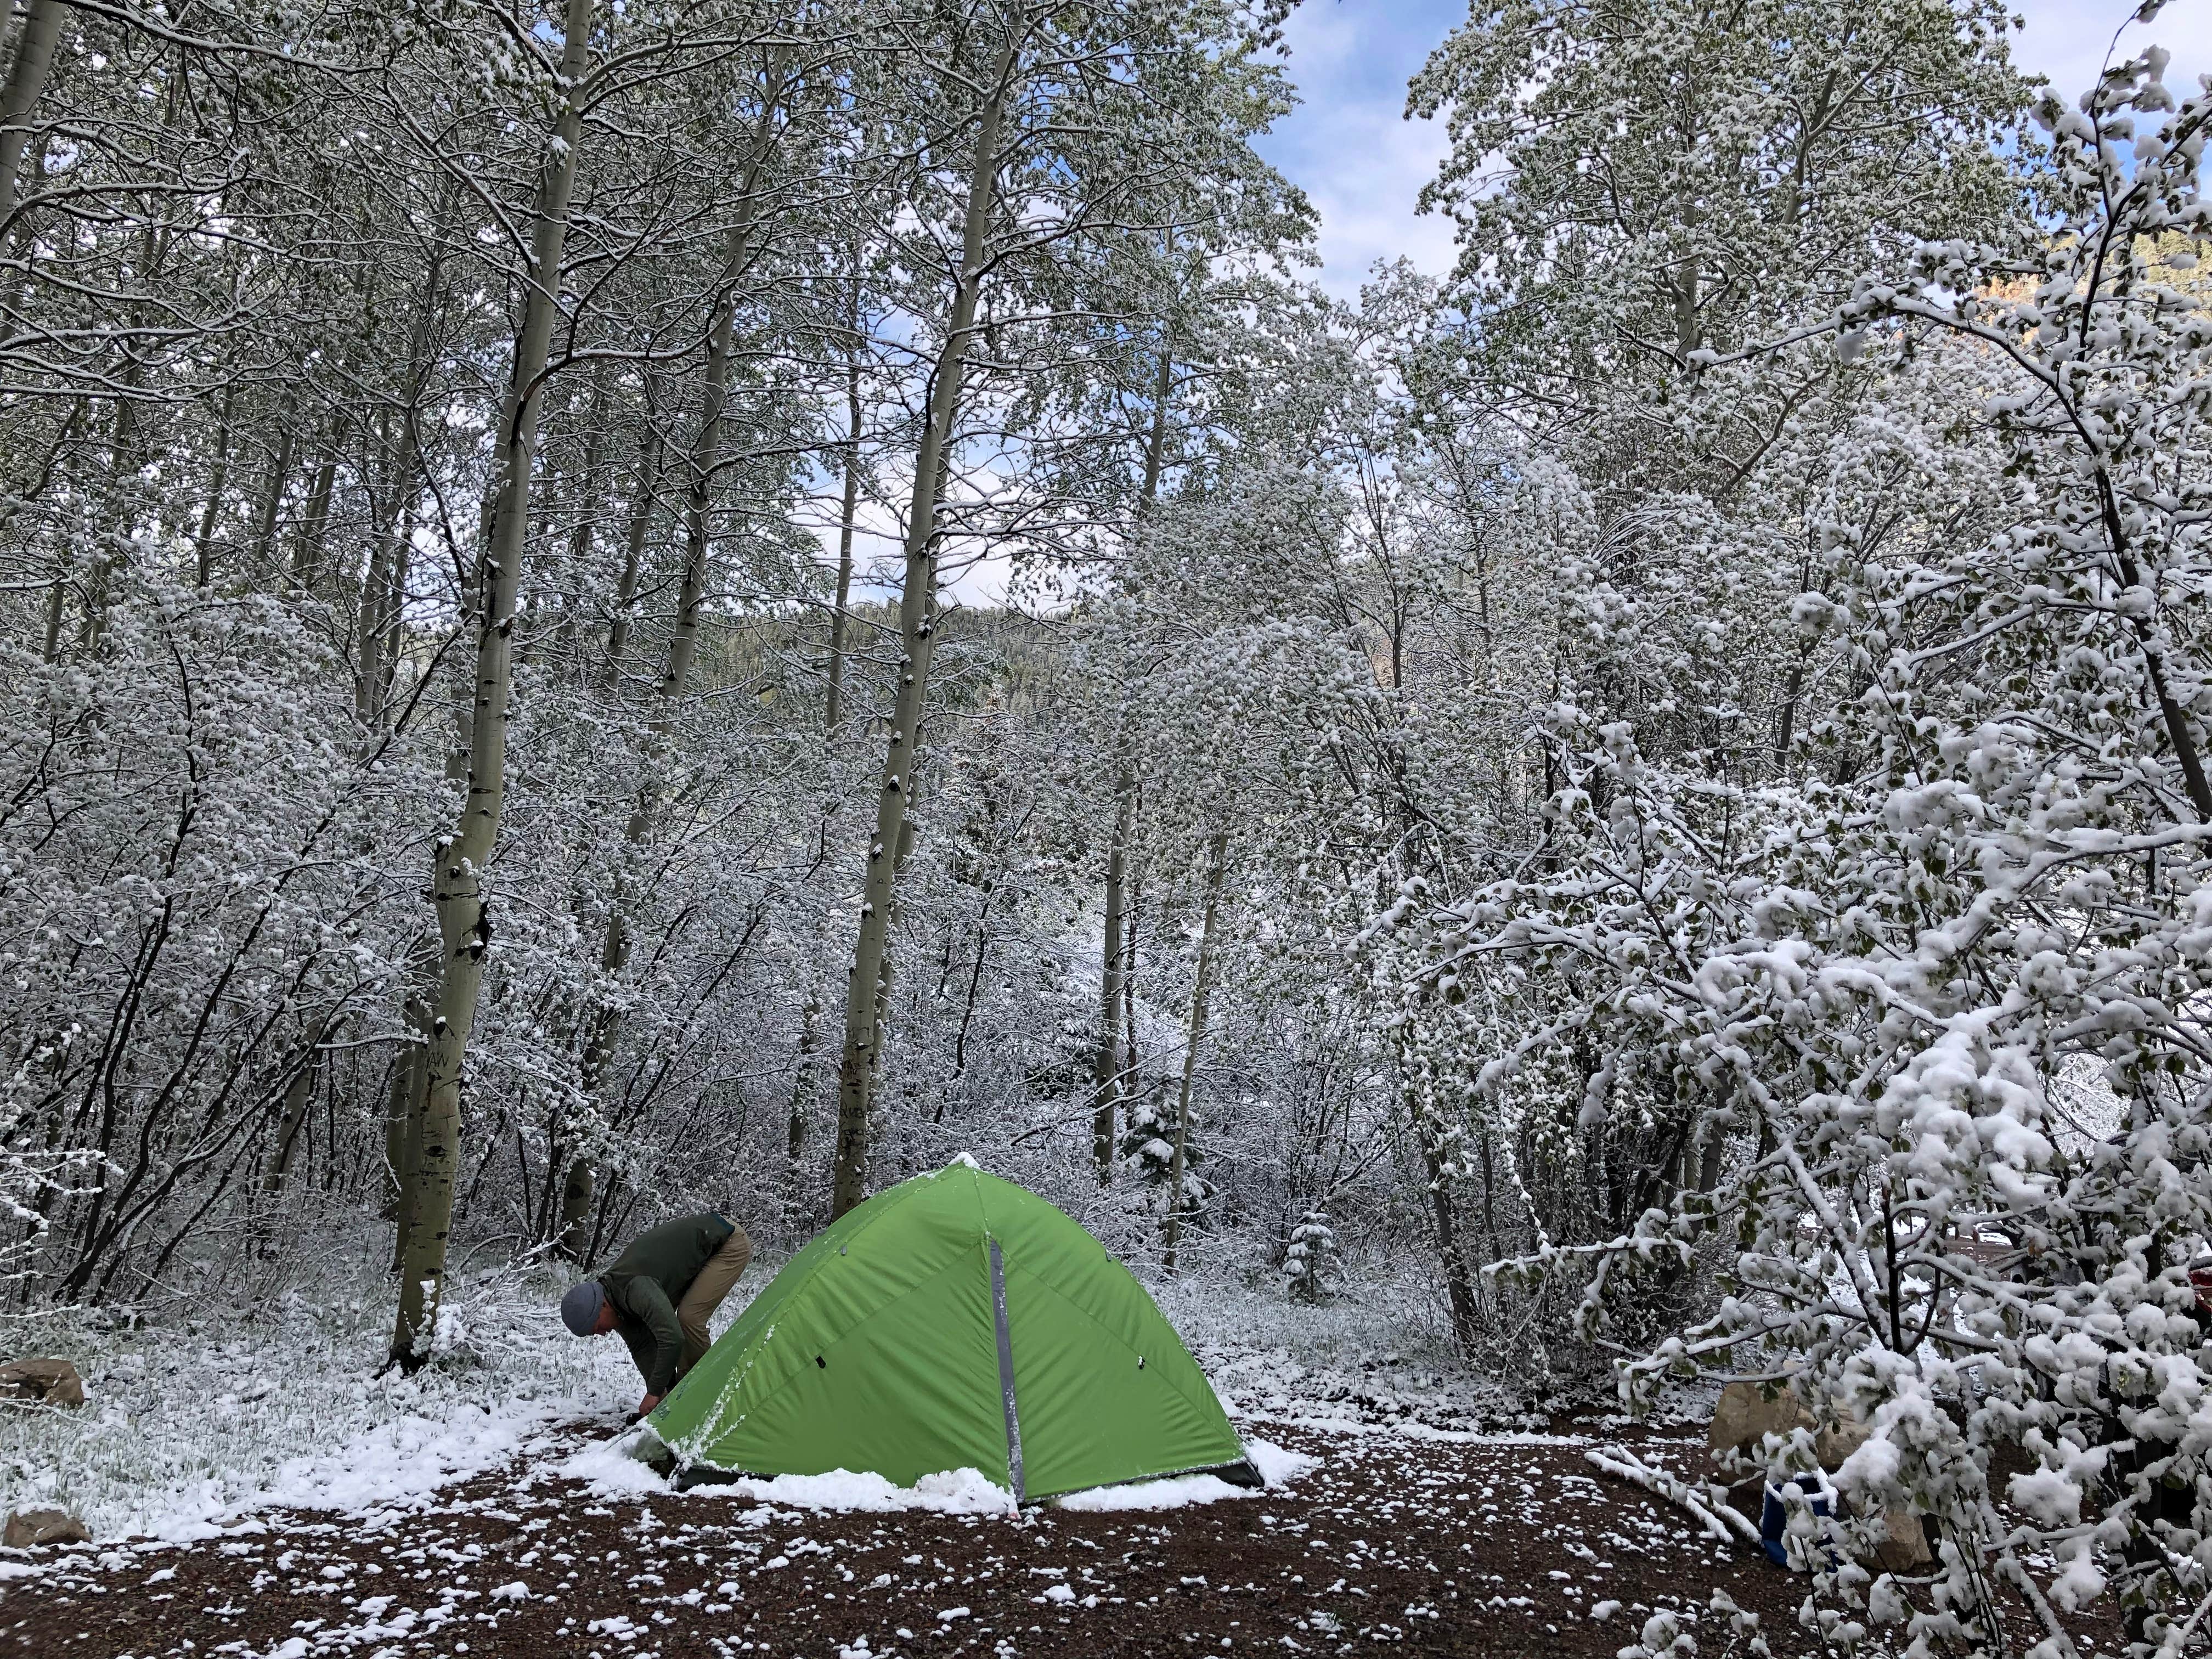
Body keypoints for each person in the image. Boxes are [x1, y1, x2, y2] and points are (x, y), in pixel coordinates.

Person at [560, 1211, 752, 1419]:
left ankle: (701, 1400)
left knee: (689, 1317)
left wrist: (653, 1393)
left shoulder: (636, 1289)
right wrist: (660, 1395)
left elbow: (672, 1339)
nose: (603, 1334)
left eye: (597, 1328)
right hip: (701, 1249)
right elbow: (642, 1347)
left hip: (727, 1243)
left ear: (602, 1306)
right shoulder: (616, 1304)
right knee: (665, 1331)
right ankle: (677, 1404)